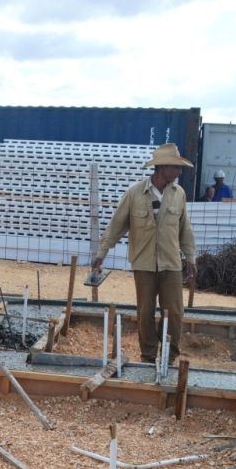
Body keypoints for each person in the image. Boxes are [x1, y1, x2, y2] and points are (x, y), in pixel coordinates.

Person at [91, 143, 196, 363]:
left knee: (175, 312)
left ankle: (169, 356)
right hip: (144, 264)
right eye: (175, 168)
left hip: (171, 264)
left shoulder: (179, 194)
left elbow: (185, 228)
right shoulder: (135, 193)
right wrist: (101, 254)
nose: (179, 172)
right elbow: (116, 225)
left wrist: (190, 257)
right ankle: (148, 356)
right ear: (162, 168)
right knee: (145, 313)